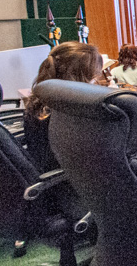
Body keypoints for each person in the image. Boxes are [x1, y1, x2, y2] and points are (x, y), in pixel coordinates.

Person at [24, 42, 103, 173]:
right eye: (94, 77)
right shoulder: (74, 115)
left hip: (48, 172)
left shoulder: (40, 102)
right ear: (82, 77)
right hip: (70, 180)